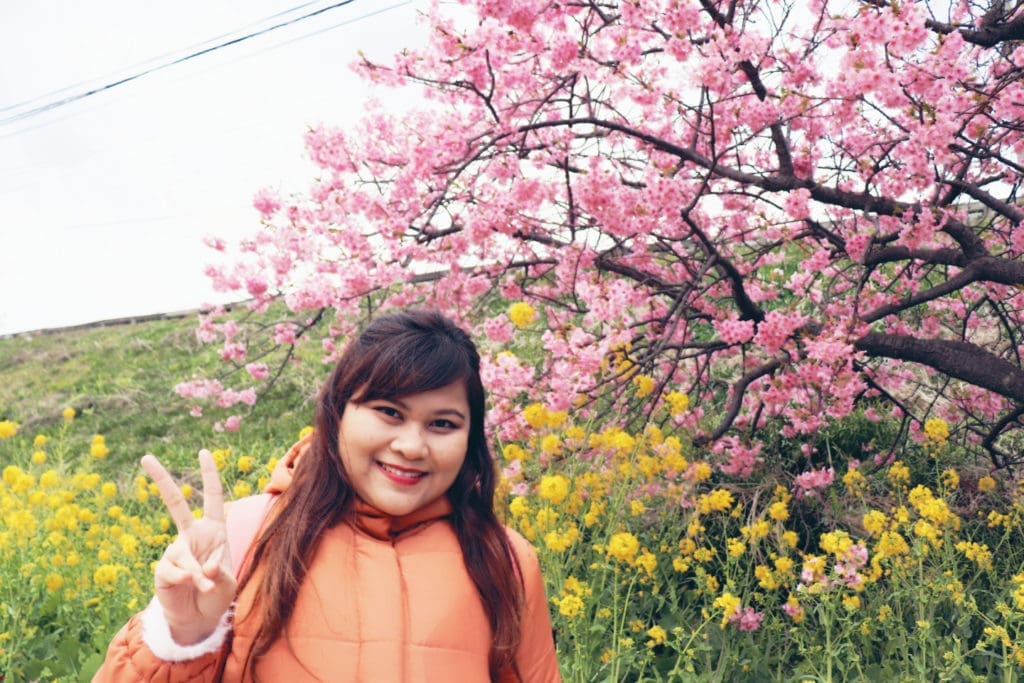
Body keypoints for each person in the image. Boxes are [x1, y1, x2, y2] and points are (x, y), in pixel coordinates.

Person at [94, 309, 561, 682]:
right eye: (388, 412)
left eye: (443, 423)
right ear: (338, 413)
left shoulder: (506, 560)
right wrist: (181, 635)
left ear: (469, 438)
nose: (412, 446)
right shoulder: (246, 533)